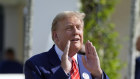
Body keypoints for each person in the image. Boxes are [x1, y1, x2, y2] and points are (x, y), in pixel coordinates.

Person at [24, 11, 109, 79]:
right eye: (69, 28)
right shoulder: (35, 65)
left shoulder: (88, 62)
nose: (76, 32)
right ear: (56, 36)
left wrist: (98, 73)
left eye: (79, 27)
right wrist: (63, 71)